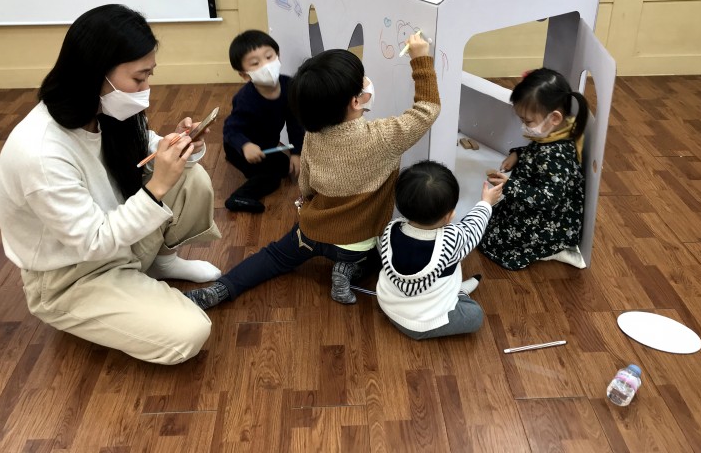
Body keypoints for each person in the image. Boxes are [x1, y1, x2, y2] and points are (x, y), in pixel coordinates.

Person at [0, 4, 223, 365]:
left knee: (191, 177)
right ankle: (128, 293)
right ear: (96, 72)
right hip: (71, 275)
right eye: (139, 78)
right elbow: (92, 241)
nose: (146, 88)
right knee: (189, 334)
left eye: (149, 74)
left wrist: (180, 145)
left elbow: (149, 150)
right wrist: (157, 186)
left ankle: (160, 265)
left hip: (119, 243)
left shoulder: (105, 112)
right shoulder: (40, 152)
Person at [184, 33, 440, 309]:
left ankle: (220, 290)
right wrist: (421, 59)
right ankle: (348, 270)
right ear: (356, 101)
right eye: (363, 80)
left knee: (272, 257)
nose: (368, 82)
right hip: (355, 244)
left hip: (310, 232)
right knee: (384, 253)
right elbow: (428, 109)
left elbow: (305, 186)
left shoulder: (312, 136)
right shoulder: (385, 136)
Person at [376, 161, 502, 340]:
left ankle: (455, 293)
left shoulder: (392, 228)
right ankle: (458, 294)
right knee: (475, 316)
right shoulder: (452, 239)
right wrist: (486, 203)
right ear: (448, 216)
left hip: (388, 305)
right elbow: (474, 227)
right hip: (420, 325)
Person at [479, 68, 589, 270]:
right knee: (488, 225)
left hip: (552, 219)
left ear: (554, 118)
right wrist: (518, 154)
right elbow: (537, 153)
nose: (524, 126)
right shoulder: (553, 134)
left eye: (527, 121)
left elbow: (549, 199)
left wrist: (510, 185)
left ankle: (556, 248)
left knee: (497, 244)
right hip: (531, 205)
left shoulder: (558, 154)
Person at [222, 30, 305, 214]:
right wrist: (245, 146)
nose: (266, 65)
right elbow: (231, 129)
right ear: (244, 75)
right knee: (271, 177)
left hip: (267, 146)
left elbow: (294, 122)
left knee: (286, 166)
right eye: (255, 63)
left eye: (269, 57)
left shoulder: (289, 85)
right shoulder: (245, 99)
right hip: (241, 149)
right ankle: (239, 197)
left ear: (278, 56)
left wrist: (296, 153)